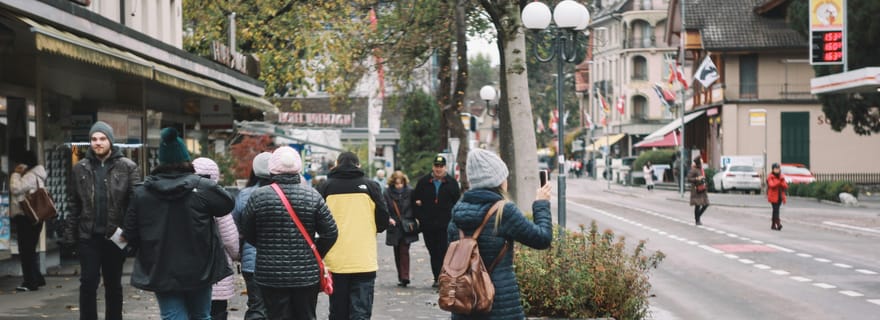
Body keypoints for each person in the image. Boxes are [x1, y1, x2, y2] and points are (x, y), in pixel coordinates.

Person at [122, 127, 235, 320]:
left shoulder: (142, 193)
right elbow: (227, 204)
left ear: (161, 161)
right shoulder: (203, 187)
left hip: (160, 266)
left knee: (172, 316)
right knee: (201, 315)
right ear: (186, 160)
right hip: (200, 266)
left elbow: (130, 232)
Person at [448, 148, 553, 319]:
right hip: (499, 303)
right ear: (497, 180)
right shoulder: (504, 211)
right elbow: (542, 239)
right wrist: (541, 204)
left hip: (465, 302)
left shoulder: (457, 213)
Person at [242, 146, 338, 320]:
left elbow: (246, 230)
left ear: (273, 168)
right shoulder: (313, 195)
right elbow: (330, 232)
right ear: (298, 168)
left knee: (276, 316)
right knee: (306, 315)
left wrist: (265, 247)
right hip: (306, 274)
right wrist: (314, 252)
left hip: (269, 273)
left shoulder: (259, 196)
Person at [64, 121, 140, 320]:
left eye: (102, 139)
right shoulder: (80, 168)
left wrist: (130, 235)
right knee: (88, 282)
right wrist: (71, 236)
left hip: (116, 236)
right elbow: (73, 204)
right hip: (88, 236)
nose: (98, 143)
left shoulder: (127, 167)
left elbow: (136, 205)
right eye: (94, 139)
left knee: (113, 284)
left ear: (110, 141)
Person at [316, 151, 389, 320]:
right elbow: (383, 219)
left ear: (336, 165)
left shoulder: (326, 187)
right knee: (361, 312)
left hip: (335, 261)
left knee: (338, 311)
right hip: (364, 259)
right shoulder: (371, 186)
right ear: (358, 165)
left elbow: (316, 221)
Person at [193, 157, 240, 320]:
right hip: (216, 270)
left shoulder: (182, 197)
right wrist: (235, 255)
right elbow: (230, 239)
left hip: (189, 269)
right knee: (217, 312)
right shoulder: (219, 201)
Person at [232, 151, 272, 320]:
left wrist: (238, 252)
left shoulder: (244, 194)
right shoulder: (287, 192)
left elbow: (236, 227)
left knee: (256, 306)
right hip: (282, 263)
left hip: (252, 260)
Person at [412, 155, 461, 287]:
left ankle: (444, 277)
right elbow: (415, 200)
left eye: (441, 166)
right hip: (428, 225)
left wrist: (455, 221)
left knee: (444, 251)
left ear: (445, 167)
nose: (438, 169)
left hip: (445, 224)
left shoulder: (451, 183)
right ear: (433, 167)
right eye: (436, 166)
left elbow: (457, 202)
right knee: (433, 251)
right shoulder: (423, 182)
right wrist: (420, 217)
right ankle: (437, 277)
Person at [9, 150, 47, 292]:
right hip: (34, 216)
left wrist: (15, 173)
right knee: (29, 249)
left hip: (27, 217)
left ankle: (30, 281)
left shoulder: (31, 176)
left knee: (26, 249)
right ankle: (36, 278)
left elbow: (15, 188)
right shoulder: (37, 174)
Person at [383, 170, 419, 288]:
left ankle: (405, 276)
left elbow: (414, 206)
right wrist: (388, 218)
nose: (399, 186)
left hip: (406, 225)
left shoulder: (410, 191)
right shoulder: (387, 193)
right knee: (397, 251)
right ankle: (401, 276)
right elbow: (385, 207)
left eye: (401, 183)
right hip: (394, 225)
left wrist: (415, 218)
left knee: (404, 250)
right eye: (397, 183)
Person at [687, 157, 710, 225]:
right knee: (698, 205)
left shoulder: (701, 169)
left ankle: (698, 216)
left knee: (706, 204)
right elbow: (689, 178)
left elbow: (703, 178)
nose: (702, 162)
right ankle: (697, 220)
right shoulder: (694, 170)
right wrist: (697, 178)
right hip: (696, 190)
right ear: (698, 162)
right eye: (701, 161)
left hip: (703, 189)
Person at [767, 163, 789, 231]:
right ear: (773, 169)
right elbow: (771, 185)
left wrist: (781, 182)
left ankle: (773, 225)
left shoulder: (781, 177)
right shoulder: (770, 177)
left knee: (775, 211)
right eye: (775, 169)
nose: (777, 170)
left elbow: (785, 186)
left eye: (778, 169)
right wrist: (779, 182)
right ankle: (778, 224)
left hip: (780, 196)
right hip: (773, 196)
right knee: (776, 210)